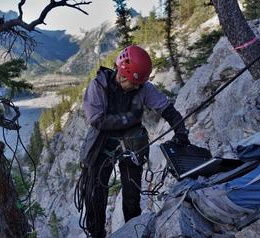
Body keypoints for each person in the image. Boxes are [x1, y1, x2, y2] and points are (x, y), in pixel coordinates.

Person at [79, 45, 190, 238]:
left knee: (131, 197)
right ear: (122, 75)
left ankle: (135, 230)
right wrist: (129, 119)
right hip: (102, 143)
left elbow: (166, 109)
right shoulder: (99, 86)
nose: (138, 87)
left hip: (131, 144)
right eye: (134, 83)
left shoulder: (143, 87)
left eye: (139, 83)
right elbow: (96, 119)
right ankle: (96, 234)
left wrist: (180, 130)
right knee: (96, 197)